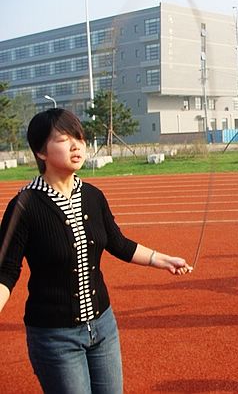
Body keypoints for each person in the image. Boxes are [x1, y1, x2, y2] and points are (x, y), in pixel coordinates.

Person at [0, 108, 192, 394]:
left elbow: (118, 243)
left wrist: (162, 260)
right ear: (41, 152)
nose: (76, 146)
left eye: (79, 138)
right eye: (64, 140)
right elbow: (6, 270)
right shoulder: (25, 206)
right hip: (55, 337)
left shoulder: (93, 196)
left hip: (103, 328)